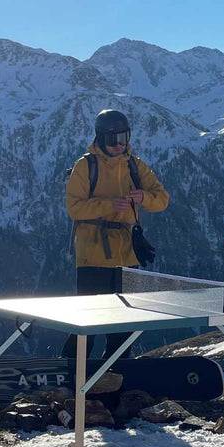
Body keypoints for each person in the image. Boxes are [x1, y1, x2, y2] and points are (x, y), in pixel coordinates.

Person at [64, 109, 169, 361]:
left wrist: (144, 197)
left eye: (124, 137)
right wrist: (109, 205)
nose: (120, 144)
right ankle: (70, 370)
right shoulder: (85, 166)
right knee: (88, 321)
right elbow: (74, 207)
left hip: (127, 254)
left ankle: (117, 372)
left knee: (124, 323)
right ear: (101, 138)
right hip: (93, 257)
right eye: (114, 139)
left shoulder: (134, 164)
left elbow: (162, 199)